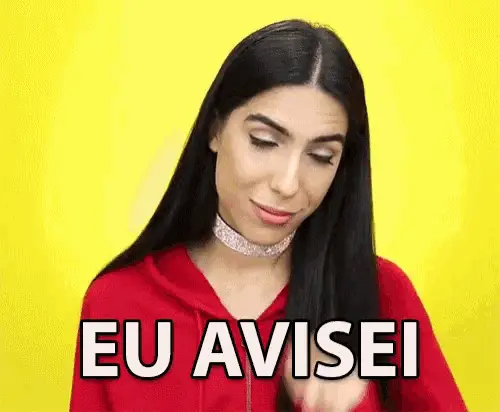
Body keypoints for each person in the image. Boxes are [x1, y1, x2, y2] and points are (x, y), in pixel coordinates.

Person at [69, 19, 467, 412]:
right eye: (263, 141)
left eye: (321, 156)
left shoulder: (382, 294)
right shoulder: (115, 305)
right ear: (215, 130)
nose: (288, 183)